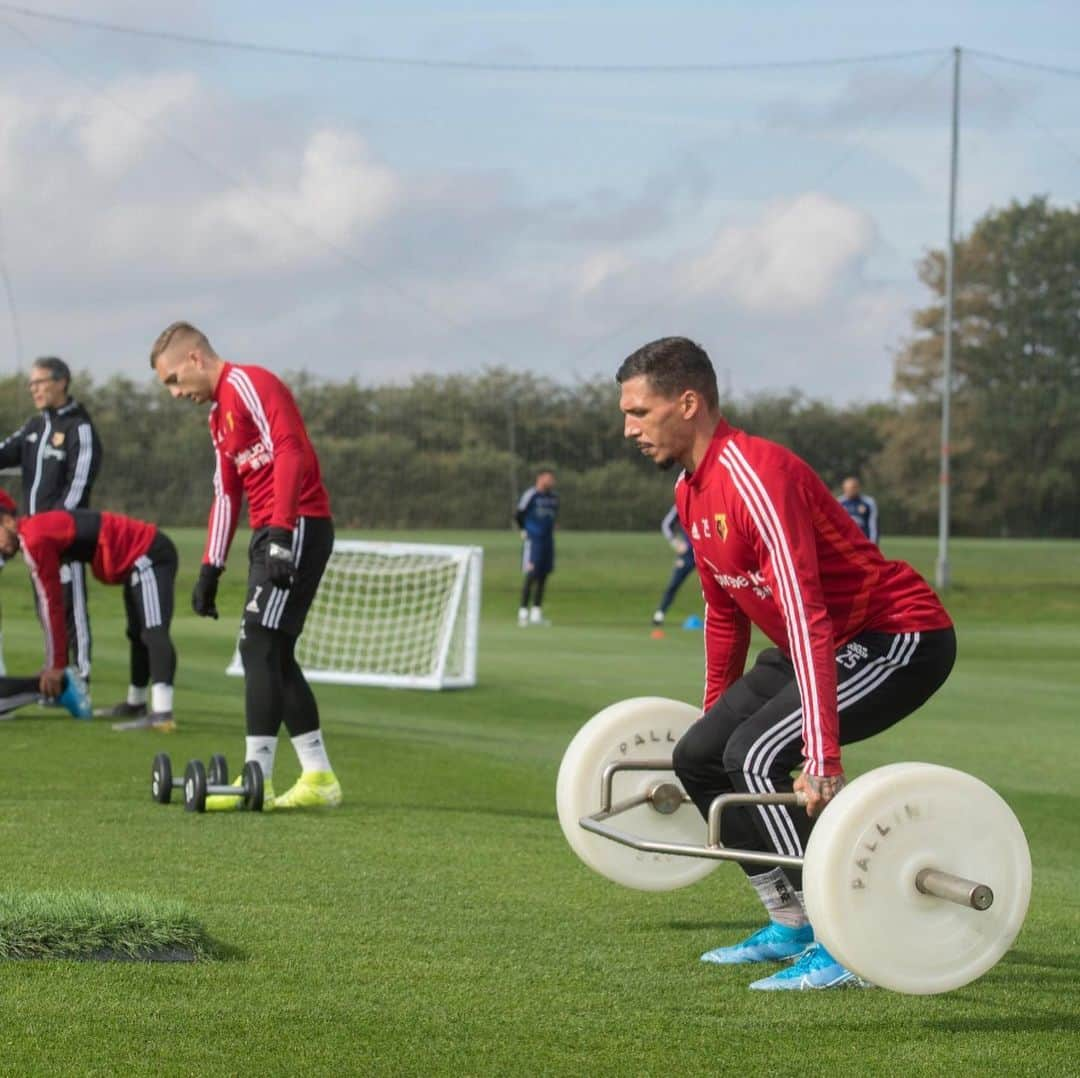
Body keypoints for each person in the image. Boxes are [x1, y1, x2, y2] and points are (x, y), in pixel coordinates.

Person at [616, 337, 955, 991]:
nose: (628, 429)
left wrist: (823, 758)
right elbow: (723, 613)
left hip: (896, 636)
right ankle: (793, 920)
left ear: (687, 404)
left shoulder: (756, 474)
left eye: (639, 412)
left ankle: (844, 942)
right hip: (816, 646)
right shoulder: (691, 493)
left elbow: (805, 615)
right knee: (699, 755)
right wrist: (714, 711)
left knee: (753, 754)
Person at [149, 321, 340, 812]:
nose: (174, 394)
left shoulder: (249, 383)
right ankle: (318, 777)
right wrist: (211, 567)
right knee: (274, 652)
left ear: (194, 359)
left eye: (172, 380)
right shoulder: (219, 419)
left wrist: (278, 532)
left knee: (257, 644)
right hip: (272, 533)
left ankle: (257, 777)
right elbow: (226, 492)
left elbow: (290, 449)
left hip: (296, 524)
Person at [0, 490, 176, 730]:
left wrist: (56, 664)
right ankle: (136, 703)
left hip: (148, 554)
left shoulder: (33, 539)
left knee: (153, 632)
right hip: (135, 559)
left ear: (9, 521)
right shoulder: (34, 532)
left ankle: (163, 713)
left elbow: (51, 603)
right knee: (137, 634)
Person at [0, 357, 103, 681]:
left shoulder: (79, 428)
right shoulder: (34, 427)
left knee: (71, 608)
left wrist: (53, 528)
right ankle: (55, 679)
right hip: (34, 541)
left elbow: (79, 486)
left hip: (66, 537)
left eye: (40, 382)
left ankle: (80, 678)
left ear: (61, 382)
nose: (34, 389)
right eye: (31, 383)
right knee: (47, 610)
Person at [515, 470, 559, 627]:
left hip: (547, 540)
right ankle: (523, 612)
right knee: (531, 574)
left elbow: (553, 516)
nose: (551, 481)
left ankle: (536, 612)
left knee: (543, 575)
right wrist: (523, 530)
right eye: (548, 478)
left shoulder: (553, 498)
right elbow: (519, 513)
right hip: (534, 540)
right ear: (540, 478)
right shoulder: (531, 495)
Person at [652, 505, 696, 627]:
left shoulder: (709, 500)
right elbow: (666, 525)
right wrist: (675, 543)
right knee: (674, 584)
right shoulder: (681, 503)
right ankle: (659, 614)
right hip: (687, 555)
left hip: (707, 552)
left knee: (720, 585)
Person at [838, 476, 879, 544]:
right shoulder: (839, 502)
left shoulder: (869, 502)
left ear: (857, 488)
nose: (849, 491)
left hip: (864, 541)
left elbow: (873, 525)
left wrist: (873, 543)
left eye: (852, 488)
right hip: (846, 542)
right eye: (846, 488)